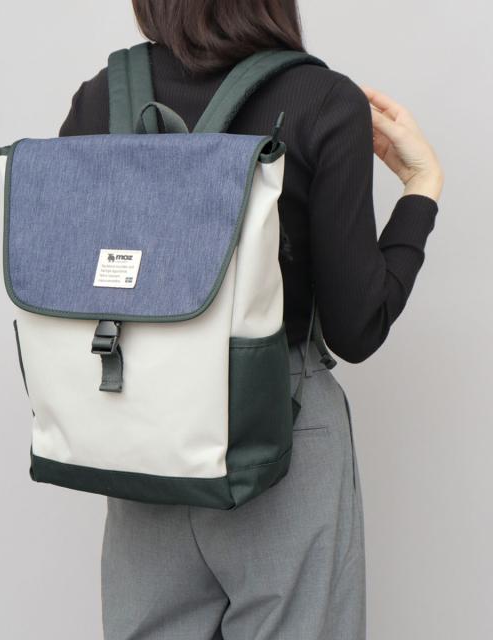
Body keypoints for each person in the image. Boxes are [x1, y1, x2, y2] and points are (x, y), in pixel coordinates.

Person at [59, 1, 444, 638]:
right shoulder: (322, 99)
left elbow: (74, 282)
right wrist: (421, 187)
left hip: (143, 430)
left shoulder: (103, 97)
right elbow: (358, 327)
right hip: (281, 430)